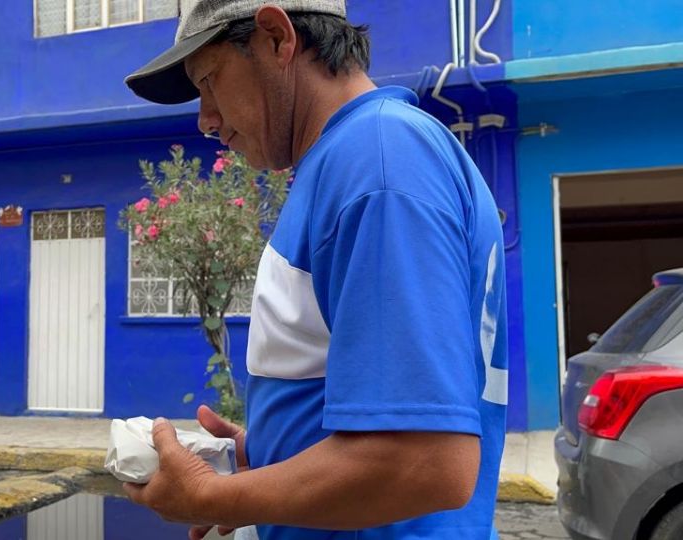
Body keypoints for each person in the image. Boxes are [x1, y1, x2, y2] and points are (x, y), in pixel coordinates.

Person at [122, 1, 508, 539]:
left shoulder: (378, 163)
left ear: (277, 38)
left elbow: (425, 460)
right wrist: (275, 451)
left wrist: (217, 497)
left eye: (210, 82)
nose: (205, 120)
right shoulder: (362, 157)